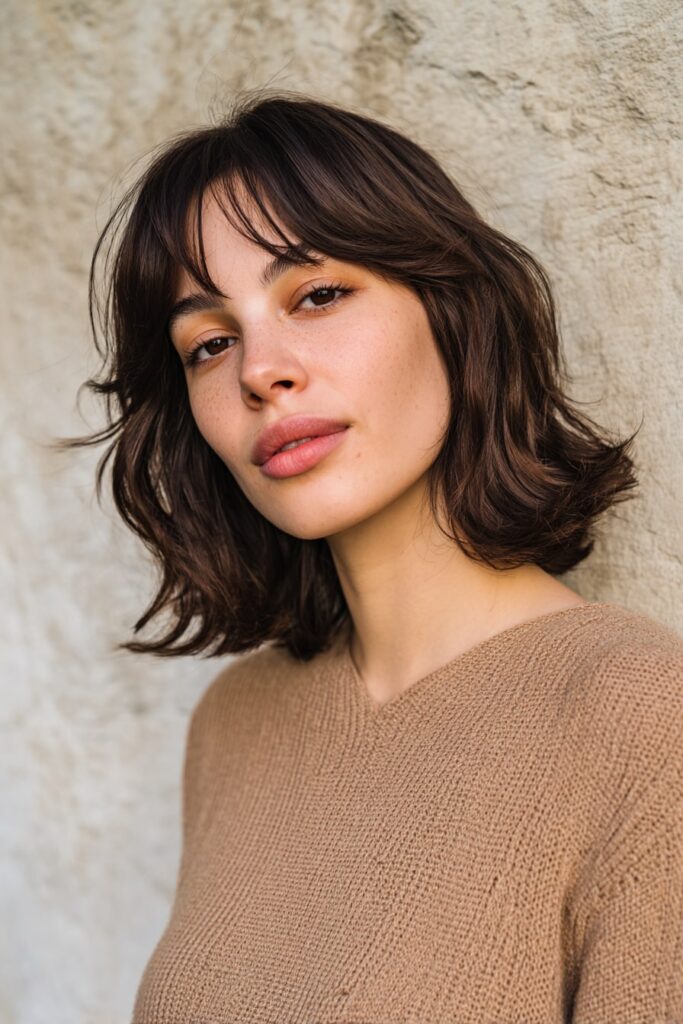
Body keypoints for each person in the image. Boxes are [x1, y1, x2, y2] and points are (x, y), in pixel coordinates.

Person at [63, 89, 683, 1022]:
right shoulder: (236, 720)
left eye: (316, 295)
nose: (259, 371)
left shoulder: (643, 720)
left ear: (451, 311)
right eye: (209, 342)